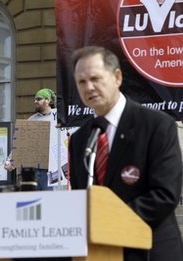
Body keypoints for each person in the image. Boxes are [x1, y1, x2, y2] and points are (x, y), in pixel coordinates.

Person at [68, 46, 183, 261]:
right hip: (99, 253)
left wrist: (108, 222)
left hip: (149, 251)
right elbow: (80, 197)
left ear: (117, 77)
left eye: (95, 78)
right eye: (81, 82)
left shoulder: (157, 125)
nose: (89, 87)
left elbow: (165, 194)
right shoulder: (80, 139)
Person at [4, 88, 56, 190]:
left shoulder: (58, 117)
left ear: (48, 100)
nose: (35, 101)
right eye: (35, 99)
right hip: (35, 169)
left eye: (38, 99)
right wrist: (11, 160)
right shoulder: (32, 119)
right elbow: (21, 142)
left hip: (53, 169)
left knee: (51, 200)